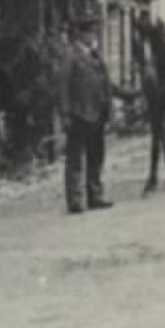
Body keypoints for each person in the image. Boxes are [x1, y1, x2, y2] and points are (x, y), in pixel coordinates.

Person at [56, 16, 114, 214]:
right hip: (79, 113)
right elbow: (63, 86)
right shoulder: (70, 56)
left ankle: (95, 195)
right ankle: (75, 200)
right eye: (88, 32)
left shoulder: (96, 56)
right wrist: (65, 114)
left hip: (97, 113)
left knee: (96, 156)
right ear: (80, 34)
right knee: (75, 159)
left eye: (93, 32)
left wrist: (109, 109)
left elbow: (106, 85)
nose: (92, 36)